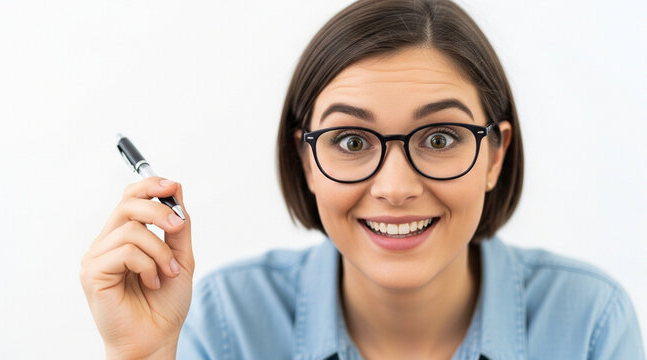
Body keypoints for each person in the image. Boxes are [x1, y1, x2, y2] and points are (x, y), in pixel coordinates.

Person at [80, 0, 644, 359]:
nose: (395, 187)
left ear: (495, 156)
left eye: (441, 138)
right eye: (351, 142)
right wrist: (142, 355)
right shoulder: (230, 324)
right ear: (305, 161)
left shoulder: (590, 324)